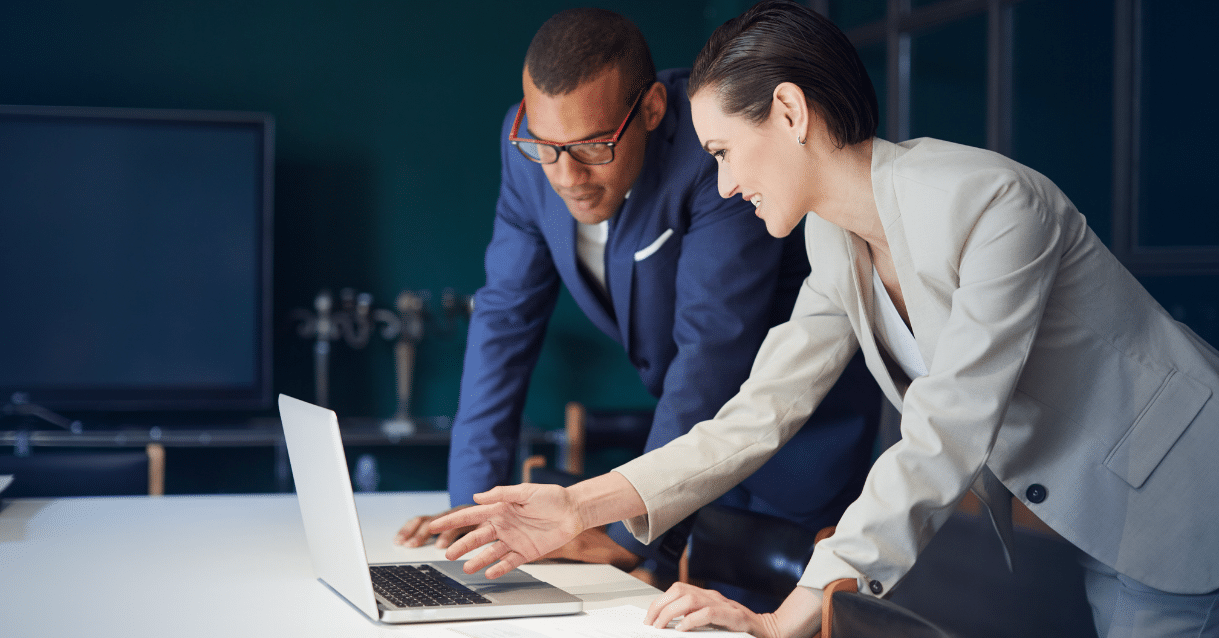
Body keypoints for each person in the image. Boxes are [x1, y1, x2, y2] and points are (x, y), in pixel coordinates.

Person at [429, 2, 1219, 637]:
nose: (724, 185)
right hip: (1096, 512)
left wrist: (789, 617)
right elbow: (755, 415)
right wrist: (579, 504)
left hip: (1185, 489)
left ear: (788, 112)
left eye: (726, 151)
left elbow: (944, 432)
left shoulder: (990, 204)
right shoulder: (833, 238)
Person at [395, 6, 878, 596]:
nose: (566, 175)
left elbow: (711, 349)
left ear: (650, 109)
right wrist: (473, 519)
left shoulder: (711, 151)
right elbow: (503, 321)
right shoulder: (530, 153)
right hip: (677, 450)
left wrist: (627, 535)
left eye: (593, 146)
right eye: (546, 146)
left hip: (795, 448)